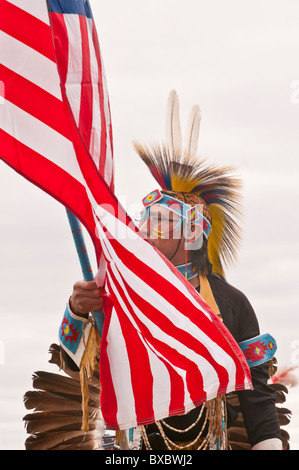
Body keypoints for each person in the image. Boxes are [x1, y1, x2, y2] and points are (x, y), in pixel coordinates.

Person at [61, 91, 283, 450]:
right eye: (144, 222)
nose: (147, 232)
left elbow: (256, 396)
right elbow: (73, 362)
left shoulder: (230, 303)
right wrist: (77, 307)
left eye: (161, 223)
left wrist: (267, 444)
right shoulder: (120, 290)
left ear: (194, 233)